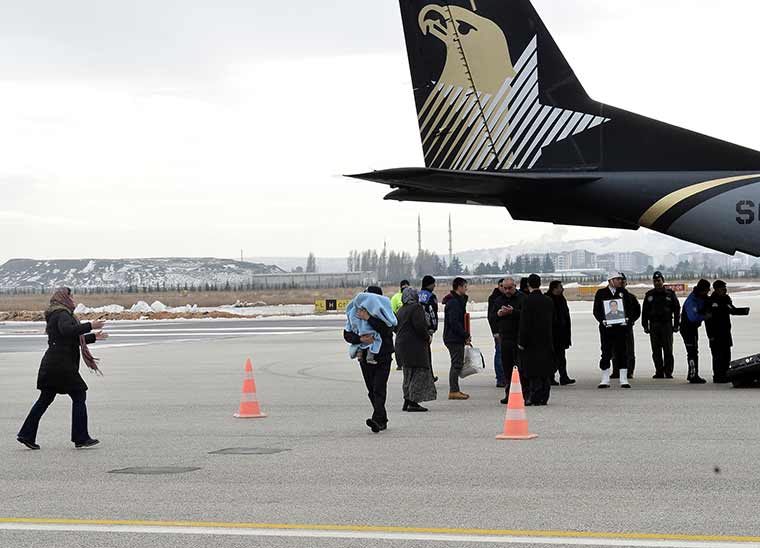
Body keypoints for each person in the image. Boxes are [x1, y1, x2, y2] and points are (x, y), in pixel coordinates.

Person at [17, 287, 108, 450]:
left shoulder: (58, 314)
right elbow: (68, 332)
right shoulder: (62, 314)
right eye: (70, 296)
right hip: (61, 365)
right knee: (79, 394)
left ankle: (26, 434)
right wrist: (90, 325)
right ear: (64, 298)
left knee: (45, 399)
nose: (73, 298)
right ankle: (81, 437)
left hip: (54, 364)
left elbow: (69, 339)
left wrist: (94, 336)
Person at [343, 286, 396, 433]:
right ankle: (382, 418)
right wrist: (360, 338)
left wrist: (369, 318)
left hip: (383, 355)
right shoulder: (357, 312)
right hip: (365, 356)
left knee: (379, 387)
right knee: (371, 389)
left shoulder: (384, 312)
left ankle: (377, 420)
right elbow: (347, 334)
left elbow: (387, 330)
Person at [395, 287, 437, 411]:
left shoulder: (401, 310)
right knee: (419, 372)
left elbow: (395, 327)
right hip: (415, 347)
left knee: (408, 374)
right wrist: (427, 337)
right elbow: (419, 326)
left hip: (401, 346)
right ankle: (413, 402)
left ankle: (407, 400)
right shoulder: (416, 308)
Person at [518, 274, 555, 405]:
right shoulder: (548, 301)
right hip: (546, 339)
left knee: (533, 371)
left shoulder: (527, 301)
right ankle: (544, 396)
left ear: (528, 285)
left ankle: (535, 396)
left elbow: (524, 323)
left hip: (531, 341)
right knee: (545, 369)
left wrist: (521, 342)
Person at [706, 280, 750, 383]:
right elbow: (707, 320)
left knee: (726, 354)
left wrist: (744, 311)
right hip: (715, 333)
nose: (725, 290)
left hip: (725, 332)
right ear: (716, 289)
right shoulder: (711, 301)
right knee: (717, 355)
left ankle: (725, 374)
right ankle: (717, 376)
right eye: (722, 288)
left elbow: (732, 310)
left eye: (725, 288)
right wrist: (710, 335)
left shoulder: (726, 299)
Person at [490, 278, 526, 405]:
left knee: (521, 367)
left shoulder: (522, 298)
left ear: (514, 286)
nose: (507, 291)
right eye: (504, 288)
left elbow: (527, 316)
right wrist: (499, 314)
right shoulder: (499, 300)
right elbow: (492, 316)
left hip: (519, 338)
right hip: (505, 339)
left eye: (510, 288)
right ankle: (508, 393)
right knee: (507, 367)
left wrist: (513, 312)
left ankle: (524, 393)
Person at [594, 273, 631, 389]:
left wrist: (627, 319)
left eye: (620, 279)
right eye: (617, 279)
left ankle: (623, 379)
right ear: (610, 280)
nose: (620, 281)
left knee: (622, 352)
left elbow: (629, 308)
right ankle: (605, 379)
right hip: (607, 329)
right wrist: (602, 320)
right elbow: (597, 310)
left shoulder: (624, 293)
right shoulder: (601, 293)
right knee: (606, 352)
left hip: (621, 328)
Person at [641, 271, 680, 379]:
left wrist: (676, 325)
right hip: (654, 326)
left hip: (666, 325)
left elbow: (676, 310)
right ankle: (659, 371)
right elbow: (644, 311)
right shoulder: (649, 295)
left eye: (658, 281)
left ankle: (668, 372)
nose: (657, 283)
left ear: (663, 281)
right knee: (656, 350)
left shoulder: (670, 294)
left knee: (668, 350)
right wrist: (645, 325)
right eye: (654, 281)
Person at [442, 277, 471, 400]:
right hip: (453, 338)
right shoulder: (453, 303)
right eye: (465, 287)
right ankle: (453, 390)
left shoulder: (458, 301)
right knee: (456, 364)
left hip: (455, 337)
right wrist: (465, 334)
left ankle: (454, 389)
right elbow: (455, 323)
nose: (466, 289)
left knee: (457, 363)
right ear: (459, 287)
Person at [679, 279, 712, 384]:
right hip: (687, 329)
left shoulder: (700, 297)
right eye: (706, 290)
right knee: (692, 352)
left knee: (693, 351)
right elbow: (693, 317)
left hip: (692, 328)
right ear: (703, 290)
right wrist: (705, 316)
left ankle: (692, 374)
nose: (707, 293)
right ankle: (693, 375)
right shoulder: (692, 301)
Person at [546, 280, 575, 386]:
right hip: (552, 334)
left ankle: (564, 377)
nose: (562, 289)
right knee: (552, 358)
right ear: (554, 289)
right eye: (560, 287)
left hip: (562, 333)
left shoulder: (561, 299)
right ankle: (550, 377)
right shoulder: (548, 299)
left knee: (561, 357)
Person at [612, 273, 641, 379]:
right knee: (615, 350)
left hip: (627, 328)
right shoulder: (611, 297)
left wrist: (631, 321)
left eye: (622, 280)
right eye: (619, 280)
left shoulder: (631, 297)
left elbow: (637, 311)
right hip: (614, 327)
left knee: (629, 350)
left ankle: (629, 371)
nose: (621, 282)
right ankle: (616, 370)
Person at [419, 275, 439, 383]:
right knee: (427, 353)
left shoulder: (418, 295)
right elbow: (432, 312)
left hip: (418, 327)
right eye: (433, 283)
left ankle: (423, 376)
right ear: (430, 284)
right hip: (427, 328)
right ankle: (428, 376)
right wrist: (433, 327)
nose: (435, 286)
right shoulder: (431, 296)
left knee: (421, 353)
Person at [487, 278, 507, 387]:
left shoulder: (508, 297)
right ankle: (500, 378)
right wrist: (495, 333)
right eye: (502, 286)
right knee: (499, 353)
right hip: (499, 331)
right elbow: (491, 317)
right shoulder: (494, 298)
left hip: (507, 331)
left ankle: (505, 376)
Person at [391, 280, 410, 370]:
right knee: (399, 345)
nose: (405, 288)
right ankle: (400, 364)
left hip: (410, 324)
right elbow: (392, 312)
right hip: (399, 325)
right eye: (404, 286)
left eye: (407, 286)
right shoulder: (395, 298)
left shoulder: (412, 296)